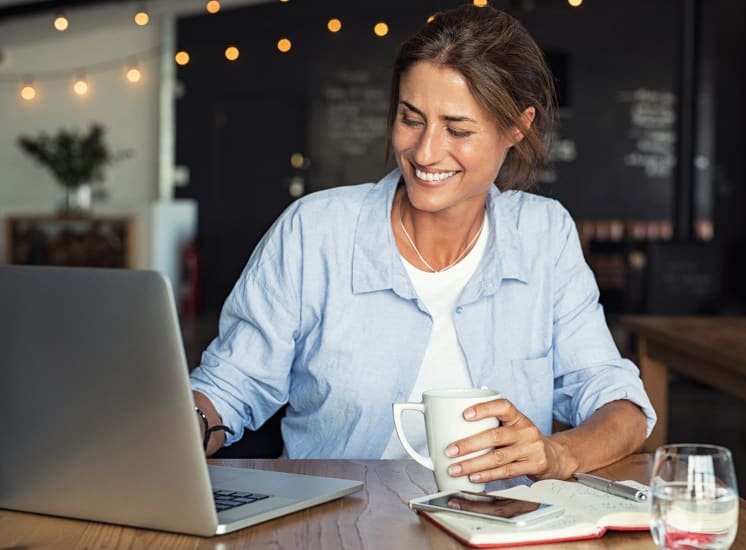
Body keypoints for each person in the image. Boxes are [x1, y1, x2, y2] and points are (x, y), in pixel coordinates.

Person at [189, 4, 655, 484]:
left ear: (517, 128)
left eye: (457, 130)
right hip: (339, 526)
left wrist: (557, 453)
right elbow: (231, 385)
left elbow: (620, 406)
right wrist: (182, 427)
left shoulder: (543, 235)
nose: (426, 152)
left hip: (503, 529)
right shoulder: (316, 230)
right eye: (412, 119)